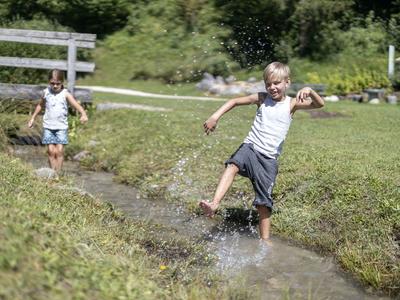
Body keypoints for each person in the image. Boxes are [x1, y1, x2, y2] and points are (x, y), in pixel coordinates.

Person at [199, 62, 324, 241]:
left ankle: (265, 241)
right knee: (232, 165)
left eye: (276, 83)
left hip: (268, 160)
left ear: (287, 82)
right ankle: (214, 204)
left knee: (263, 205)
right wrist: (215, 116)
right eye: (268, 84)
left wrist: (309, 90)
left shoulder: (292, 103)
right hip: (251, 147)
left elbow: (319, 105)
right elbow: (234, 101)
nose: (272, 87)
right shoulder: (262, 98)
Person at [28, 69, 88, 172]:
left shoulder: (65, 94)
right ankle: (52, 173)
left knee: (59, 151)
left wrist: (83, 114)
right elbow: (40, 105)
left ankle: (58, 174)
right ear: (49, 82)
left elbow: (76, 105)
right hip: (48, 126)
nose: (55, 86)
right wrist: (33, 118)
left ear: (62, 82)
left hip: (61, 127)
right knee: (51, 151)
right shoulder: (46, 92)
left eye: (58, 83)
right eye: (52, 83)